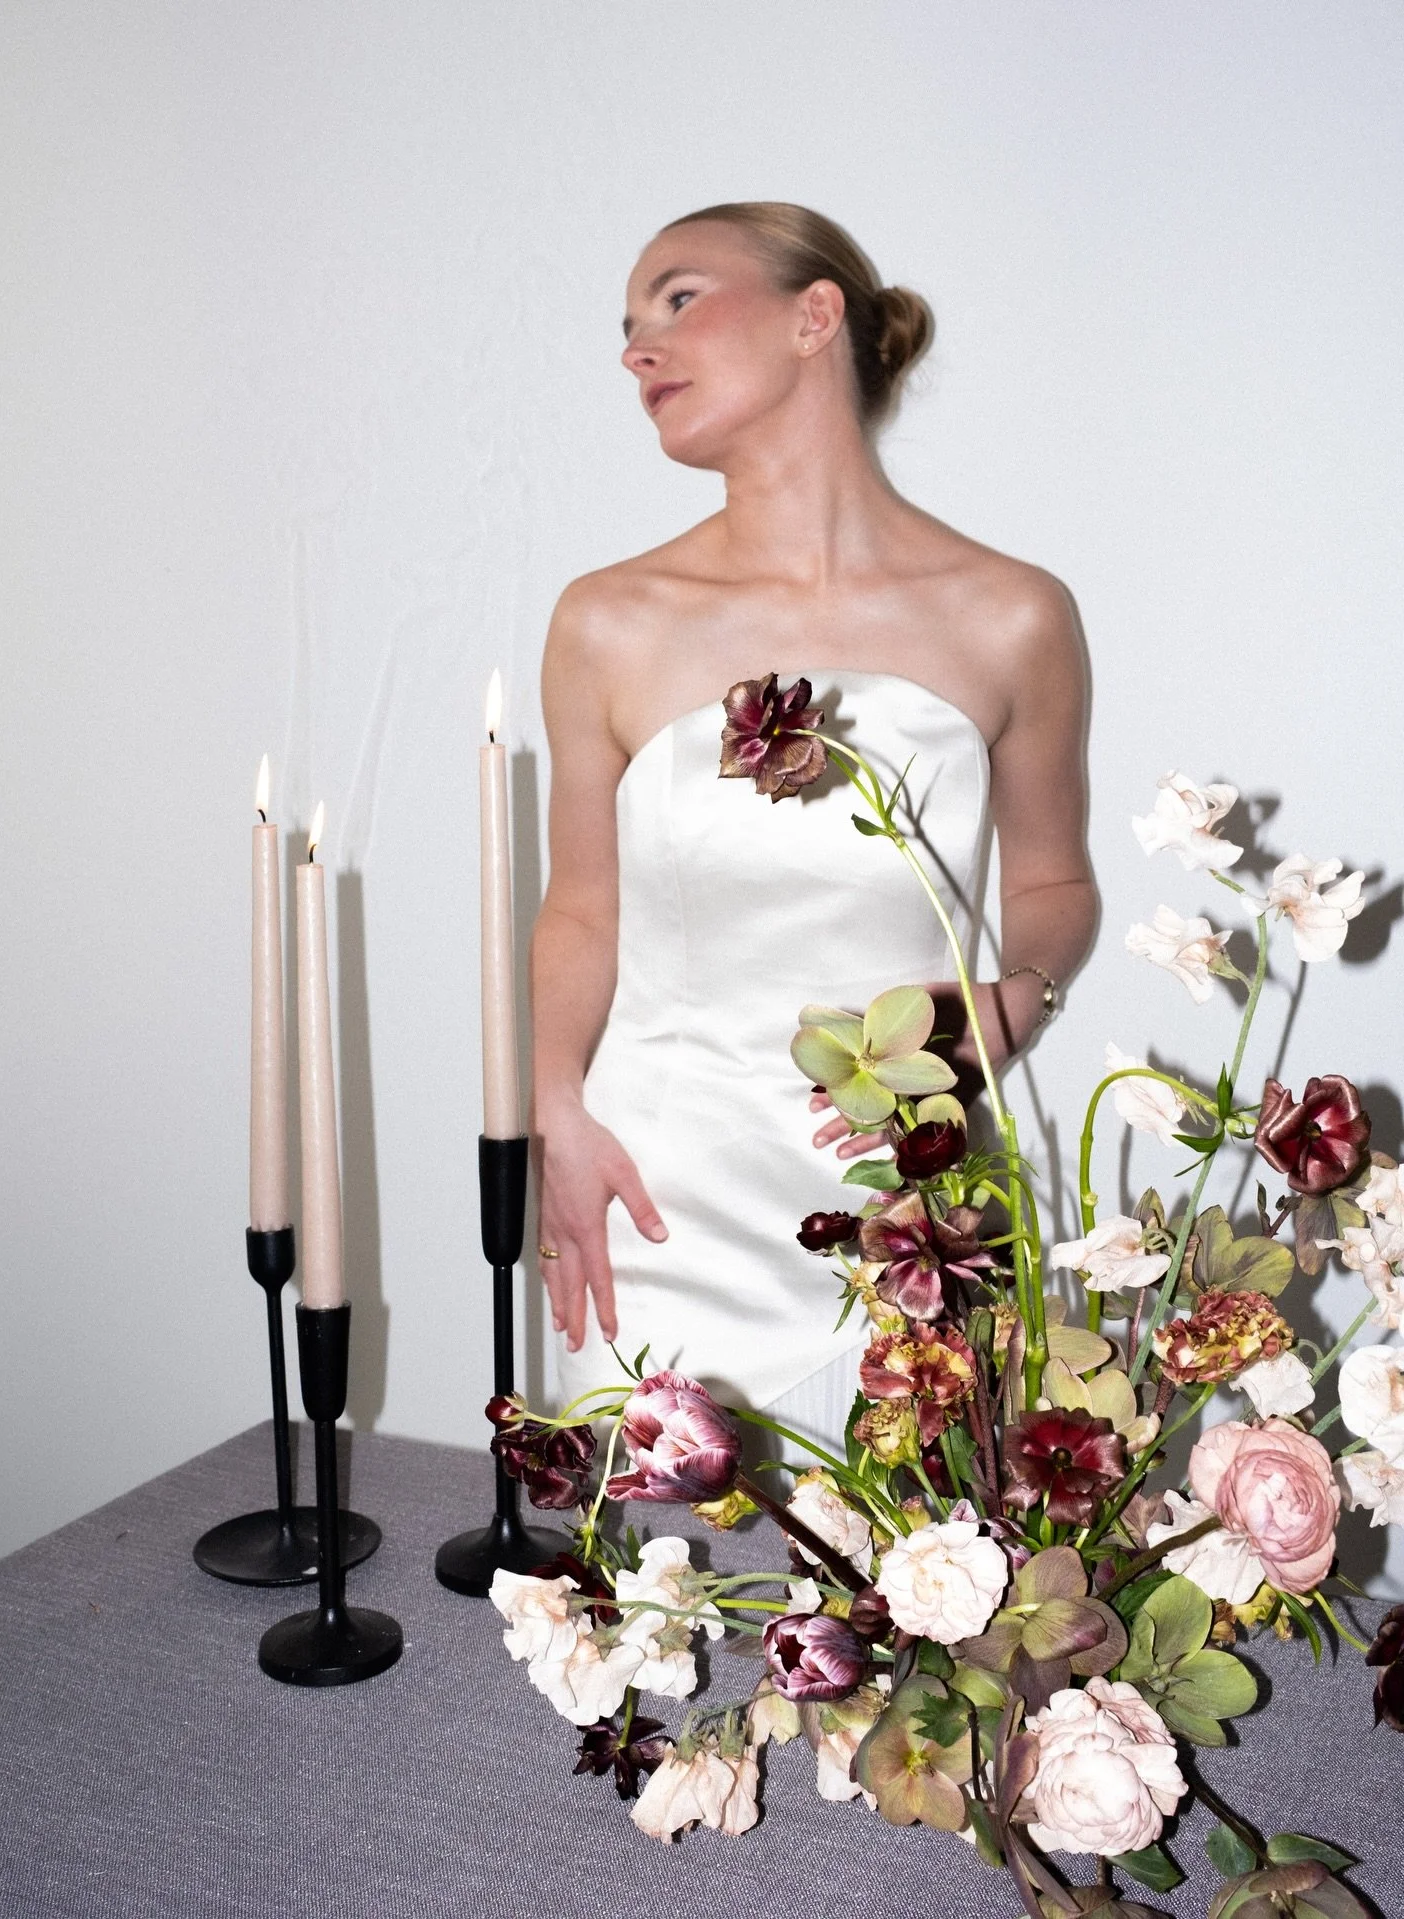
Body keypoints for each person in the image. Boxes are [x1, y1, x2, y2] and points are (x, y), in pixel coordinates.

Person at [530, 202, 1098, 1447]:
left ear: (814, 316)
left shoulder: (1014, 615)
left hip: (912, 1197)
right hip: (658, 1203)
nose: (636, 348)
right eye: (627, 324)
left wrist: (1013, 1003)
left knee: (935, 1560)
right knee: (656, 1561)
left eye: (678, 298)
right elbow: (579, 908)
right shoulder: (606, 621)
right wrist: (551, 1114)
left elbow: (1054, 883)